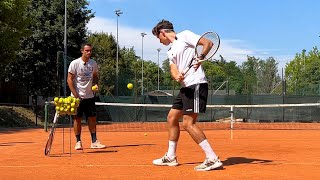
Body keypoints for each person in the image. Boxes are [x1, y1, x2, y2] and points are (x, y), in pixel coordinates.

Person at [151, 20, 223, 171]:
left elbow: (208, 43)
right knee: (172, 118)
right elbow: (173, 68)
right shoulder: (170, 51)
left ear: (163, 32)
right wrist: (176, 75)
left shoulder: (185, 35)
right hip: (186, 87)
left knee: (188, 123)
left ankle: (212, 158)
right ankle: (171, 157)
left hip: (196, 84)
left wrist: (201, 57)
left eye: (159, 37)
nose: (159, 41)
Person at [67, 43, 106, 150]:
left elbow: (95, 76)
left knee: (92, 118)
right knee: (77, 119)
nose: (89, 53)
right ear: (82, 51)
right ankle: (78, 142)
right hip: (77, 98)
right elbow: (69, 79)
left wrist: (95, 84)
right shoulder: (75, 63)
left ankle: (94, 142)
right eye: (87, 50)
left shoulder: (93, 63)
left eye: (90, 51)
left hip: (90, 97)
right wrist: (75, 95)